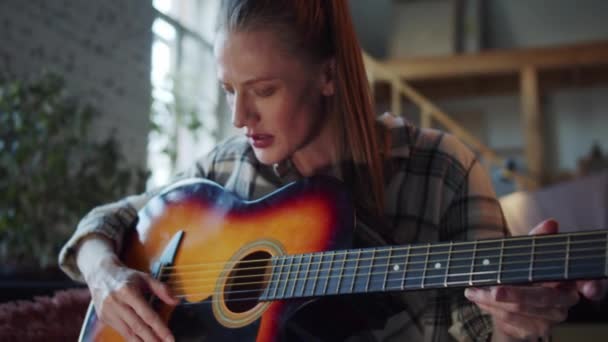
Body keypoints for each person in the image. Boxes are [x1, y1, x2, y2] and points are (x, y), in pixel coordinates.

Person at [58, 1, 607, 341]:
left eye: (264, 90)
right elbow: (109, 220)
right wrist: (105, 274)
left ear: (328, 76)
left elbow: (496, 329)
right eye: (230, 91)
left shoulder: (445, 171)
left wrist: (516, 327)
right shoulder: (227, 167)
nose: (239, 117)